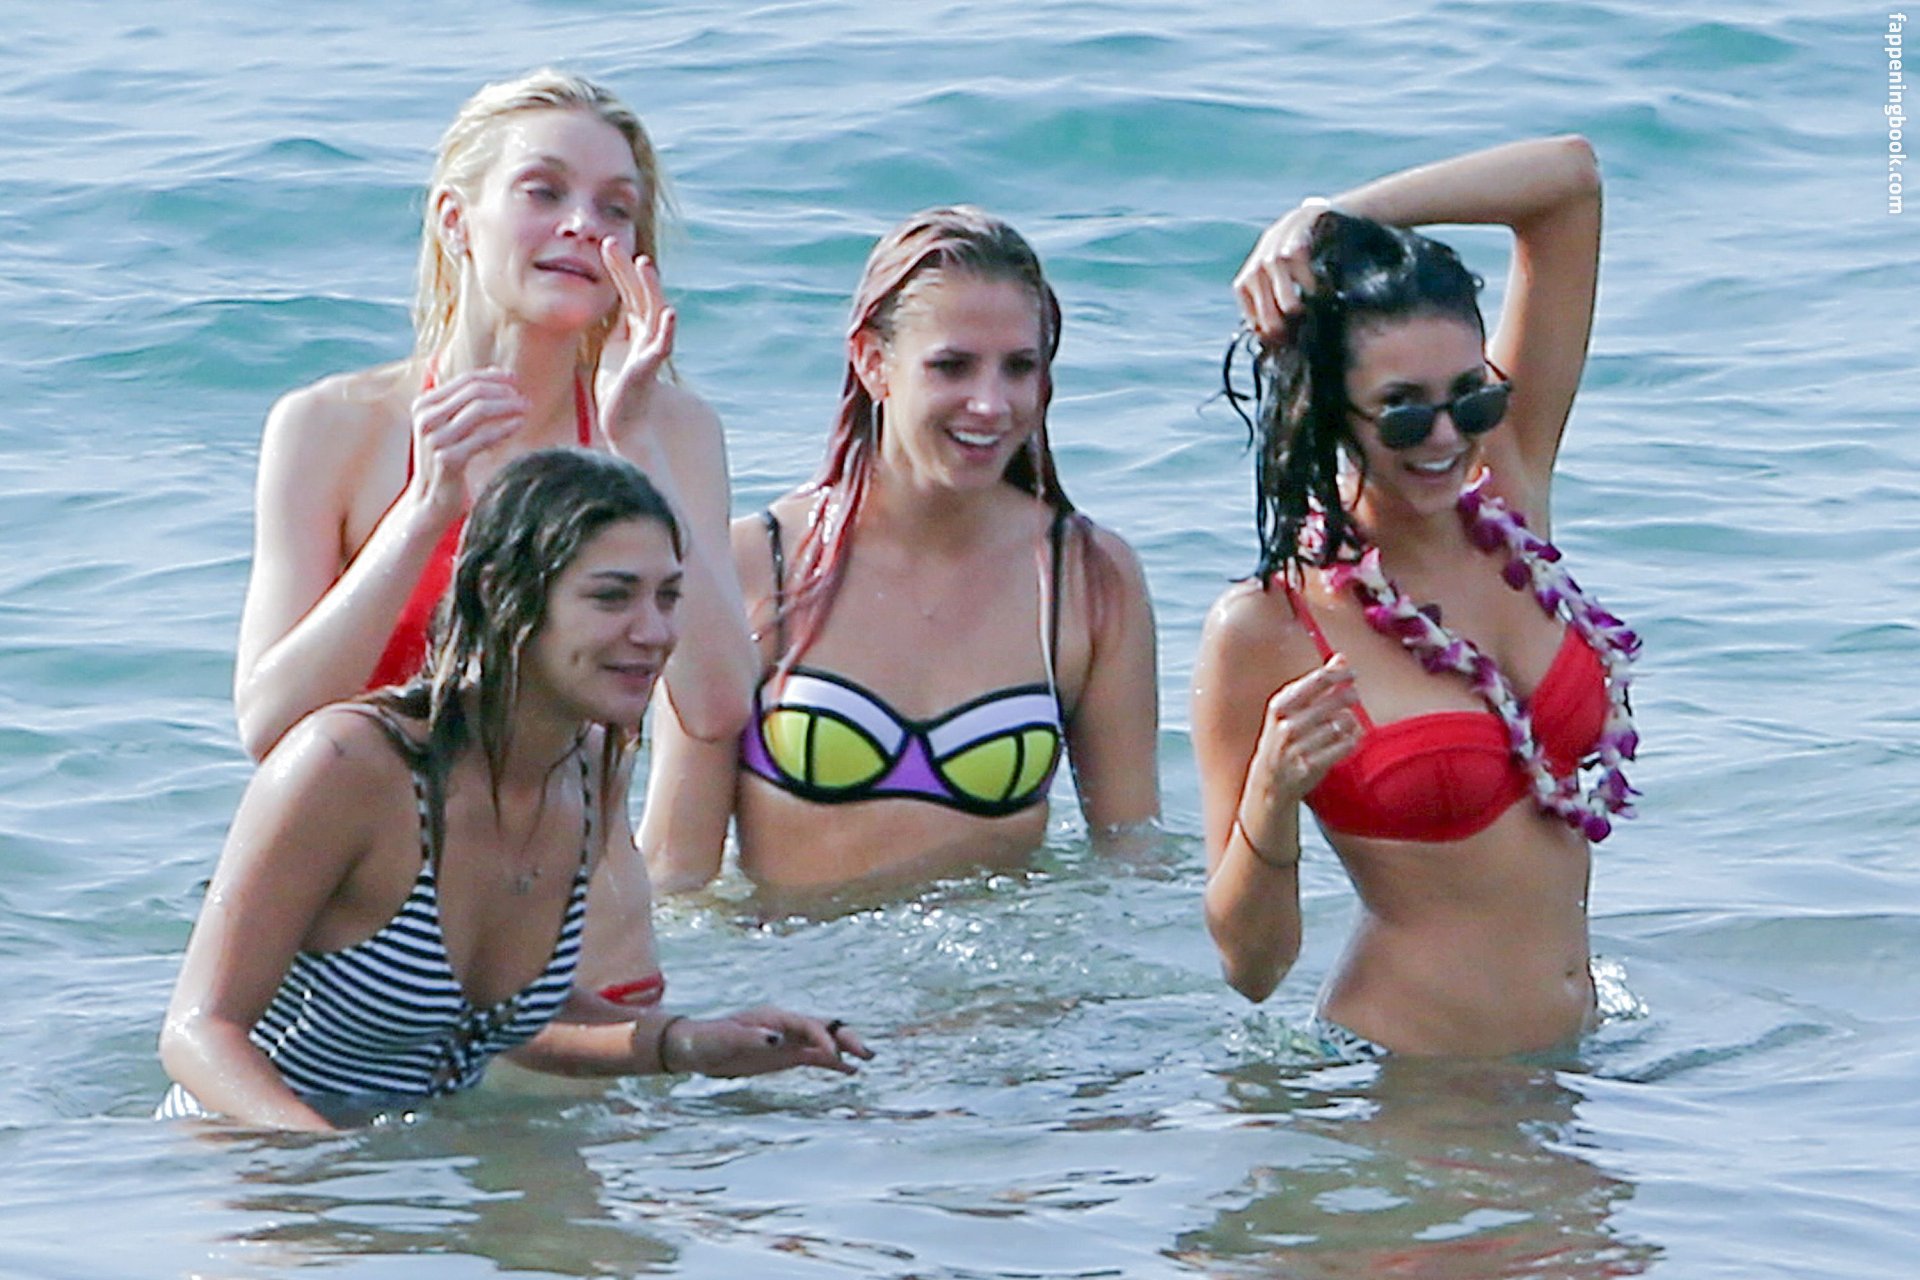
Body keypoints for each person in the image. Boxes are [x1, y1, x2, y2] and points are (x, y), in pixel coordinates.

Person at [230, 69, 756, 1008]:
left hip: (586, 964)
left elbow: (715, 705)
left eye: (616, 208)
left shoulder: (668, 431)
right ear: (455, 219)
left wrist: (635, 446)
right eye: (543, 191)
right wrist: (423, 511)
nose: (583, 226)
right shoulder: (333, 429)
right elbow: (272, 725)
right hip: (366, 963)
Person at [160, 450, 870, 1131]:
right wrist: (323, 1168)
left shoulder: (588, 765)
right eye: (612, 596)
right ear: (502, 593)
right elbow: (200, 1032)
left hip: (410, 1176)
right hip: (245, 1168)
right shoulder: (349, 765)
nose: (654, 631)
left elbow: (503, 1022)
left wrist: (687, 1043)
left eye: (668, 597)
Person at [1193, 136, 1639, 1058]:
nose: (1445, 438)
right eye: (1402, 410)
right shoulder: (1271, 627)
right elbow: (1252, 967)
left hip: (1575, 1067)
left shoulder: (1507, 499)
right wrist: (1271, 794)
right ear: (1330, 410)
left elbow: (1569, 182)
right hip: (1412, 1084)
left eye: (1469, 398)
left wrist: (1336, 215)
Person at [640, 207, 1160, 899]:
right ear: (872, 361)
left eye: (1018, 368)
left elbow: (1132, 860)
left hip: (1010, 970)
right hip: (791, 965)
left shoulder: (1087, 578)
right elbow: (677, 871)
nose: (991, 403)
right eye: (952, 366)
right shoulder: (753, 565)